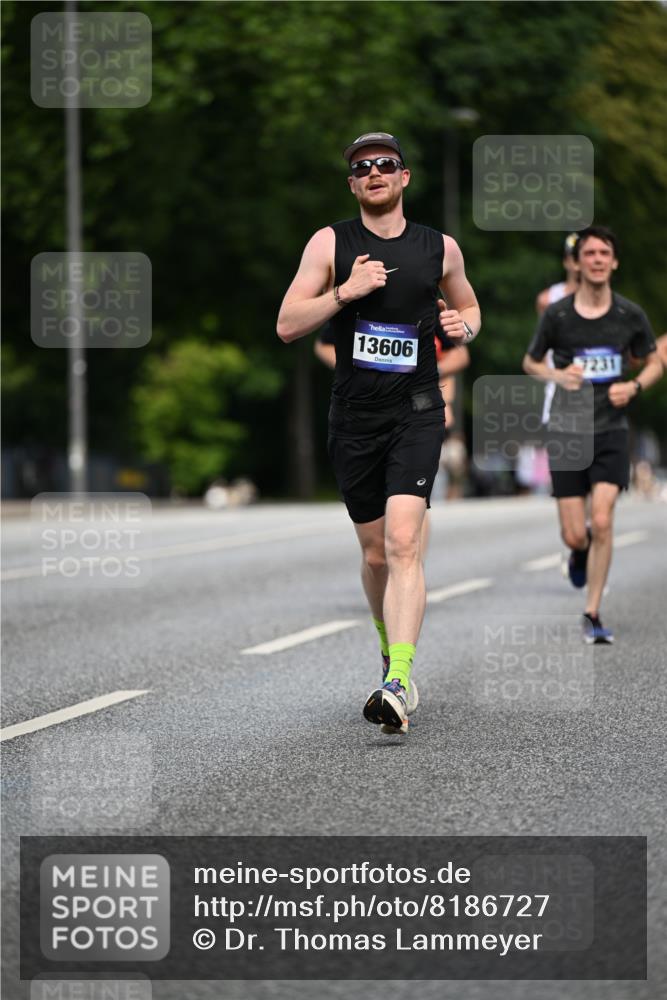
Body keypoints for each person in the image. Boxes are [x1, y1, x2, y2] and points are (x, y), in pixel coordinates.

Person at [277, 131, 480, 733]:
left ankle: (397, 678)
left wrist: (460, 327)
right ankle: (388, 646)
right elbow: (288, 324)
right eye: (363, 168)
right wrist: (345, 292)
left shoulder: (438, 249)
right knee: (373, 555)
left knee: (403, 543)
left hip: (417, 410)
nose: (375, 174)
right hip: (355, 416)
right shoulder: (331, 243)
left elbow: (470, 311)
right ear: (353, 184)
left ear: (404, 176)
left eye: (385, 165)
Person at [523, 225, 662, 644]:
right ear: (578, 262)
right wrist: (557, 374)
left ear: (614, 262)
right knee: (574, 533)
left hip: (610, 430)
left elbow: (654, 362)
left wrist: (635, 386)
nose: (598, 259)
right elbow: (531, 363)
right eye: (590, 253)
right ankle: (577, 550)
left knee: (601, 520)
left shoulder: (629, 315)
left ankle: (593, 611)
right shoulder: (558, 314)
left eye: (605, 253)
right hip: (566, 429)